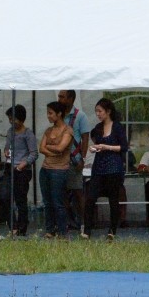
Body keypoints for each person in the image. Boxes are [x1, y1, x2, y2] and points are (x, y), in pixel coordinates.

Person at [82, 98, 128, 241]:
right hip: (99, 167)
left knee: (113, 200)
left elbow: (124, 147)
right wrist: (93, 147)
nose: (98, 114)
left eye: (100, 111)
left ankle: (112, 230)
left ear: (108, 111)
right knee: (90, 198)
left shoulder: (118, 127)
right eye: (96, 111)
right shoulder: (97, 128)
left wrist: (107, 147)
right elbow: (95, 142)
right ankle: (87, 230)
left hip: (114, 167)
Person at [38, 101, 74, 238]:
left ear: (59, 114)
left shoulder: (67, 130)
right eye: (48, 113)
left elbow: (61, 148)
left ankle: (63, 231)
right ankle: (49, 230)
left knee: (58, 202)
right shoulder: (48, 130)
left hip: (59, 170)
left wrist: (50, 147)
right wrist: (54, 150)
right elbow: (41, 148)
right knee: (47, 202)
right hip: (45, 169)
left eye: (50, 113)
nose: (48, 116)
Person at [4, 104, 38, 237]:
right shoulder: (9, 131)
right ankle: (12, 226)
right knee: (6, 196)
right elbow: (7, 147)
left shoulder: (28, 133)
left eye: (14, 119)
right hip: (9, 166)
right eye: (10, 119)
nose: (12, 121)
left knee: (20, 199)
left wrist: (23, 164)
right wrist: (6, 152)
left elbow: (34, 154)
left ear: (21, 119)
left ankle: (22, 228)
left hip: (22, 170)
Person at [58, 90, 90, 232]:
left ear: (71, 99)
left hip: (74, 160)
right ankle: (68, 221)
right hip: (59, 160)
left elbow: (85, 138)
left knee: (78, 192)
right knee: (62, 193)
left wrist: (83, 158)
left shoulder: (80, 116)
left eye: (62, 97)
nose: (59, 99)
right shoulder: (58, 115)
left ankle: (84, 222)